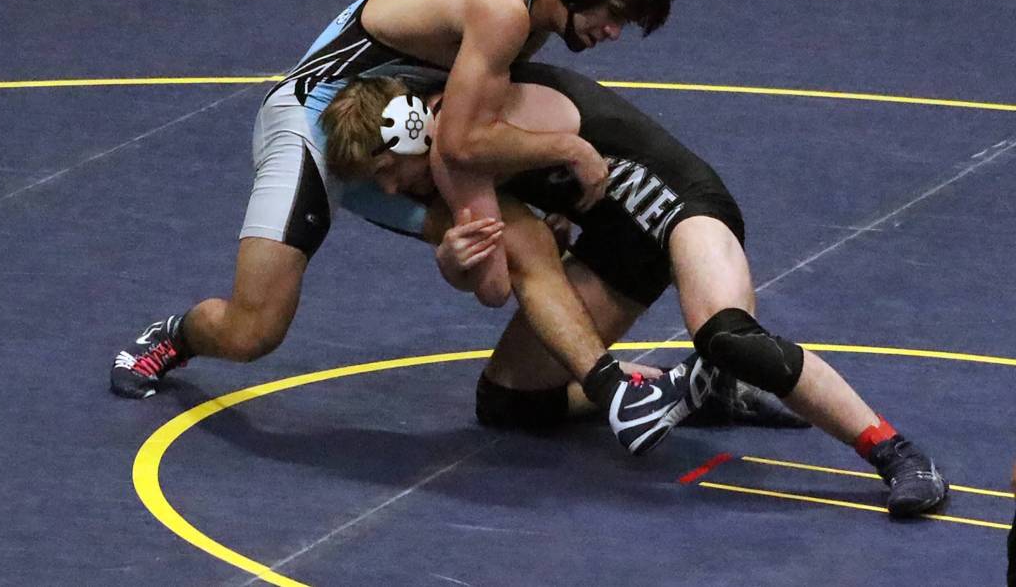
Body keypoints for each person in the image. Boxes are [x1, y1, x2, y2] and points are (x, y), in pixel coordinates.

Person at [111, 0, 712, 454]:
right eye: (613, 14)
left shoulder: (526, 20)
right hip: (317, 126)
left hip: (398, 145)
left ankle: (614, 390)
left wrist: (481, 241)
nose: (612, 32)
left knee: (522, 243)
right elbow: (461, 143)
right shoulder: (502, 7)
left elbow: (464, 161)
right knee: (253, 331)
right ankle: (177, 334)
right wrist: (569, 149)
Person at [322, 60, 950, 517]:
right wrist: (455, 259)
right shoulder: (447, 140)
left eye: (387, 171)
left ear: (409, 131)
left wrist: (462, 258)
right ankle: (690, 393)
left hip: (680, 205)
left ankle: (896, 452)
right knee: (510, 402)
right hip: (617, 243)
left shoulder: (457, 141)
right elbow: (493, 281)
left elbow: (490, 287)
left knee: (729, 336)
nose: (391, 191)